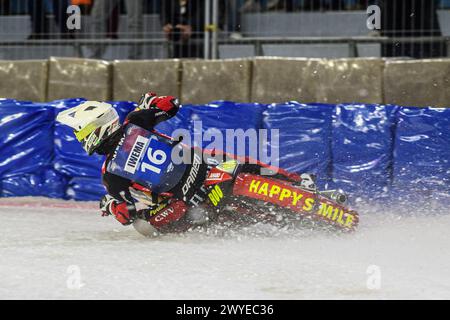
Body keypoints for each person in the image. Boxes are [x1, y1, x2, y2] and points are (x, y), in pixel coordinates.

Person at [56, 92, 312, 233]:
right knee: (148, 223)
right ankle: (297, 184)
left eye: (82, 134)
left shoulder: (110, 172)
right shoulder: (135, 123)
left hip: (191, 194)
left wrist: (154, 102)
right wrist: (155, 103)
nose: (82, 140)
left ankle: (298, 183)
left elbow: (169, 104)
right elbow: (171, 105)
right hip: (196, 186)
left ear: (98, 128)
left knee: (233, 162)